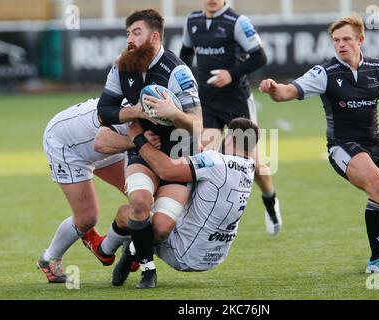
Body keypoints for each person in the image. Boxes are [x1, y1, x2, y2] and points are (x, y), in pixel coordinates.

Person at [259, 13, 379, 273]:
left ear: (360, 40)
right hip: (343, 146)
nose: (341, 44)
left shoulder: (377, 68)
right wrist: (275, 88)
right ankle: (377, 259)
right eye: (336, 40)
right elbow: (288, 92)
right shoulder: (325, 72)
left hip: (375, 142)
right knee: (378, 186)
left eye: (346, 39)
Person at [95, 9, 202, 288]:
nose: (130, 39)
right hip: (143, 149)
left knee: (162, 228)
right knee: (141, 202)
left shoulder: (177, 71)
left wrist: (173, 113)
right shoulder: (122, 65)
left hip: (179, 155)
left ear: (154, 36)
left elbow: (198, 125)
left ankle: (130, 249)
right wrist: (136, 112)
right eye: (128, 33)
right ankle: (147, 268)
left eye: (137, 32)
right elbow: (104, 112)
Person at [86, 117, 258, 288]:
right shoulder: (250, 167)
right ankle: (132, 250)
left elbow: (167, 170)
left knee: (131, 212)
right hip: (215, 257)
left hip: (185, 253)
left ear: (228, 138)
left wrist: (138, 139)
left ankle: (107, 250)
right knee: (167, 203)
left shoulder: (215, 161)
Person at [179, 0, 282, 236]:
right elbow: (185, 53)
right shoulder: (191, 21)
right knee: (206, 158)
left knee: (253, 164)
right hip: (206, 101)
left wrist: (231, 74)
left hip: (237, 101)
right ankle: (204, 218)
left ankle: (270, 201)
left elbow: (260, 56)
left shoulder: (237, 22)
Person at [37, 98, 160, 283]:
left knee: (142, 198)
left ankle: (111, 249)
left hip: (111, 142)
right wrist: (139, 141)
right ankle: (49, 258)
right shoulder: (135, 109)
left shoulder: (157, 105)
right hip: (67, 145)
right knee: (87, 218)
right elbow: (101, 142)